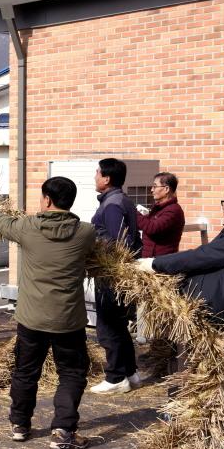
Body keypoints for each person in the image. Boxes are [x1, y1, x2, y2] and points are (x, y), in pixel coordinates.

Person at [136, 179, 224, 449]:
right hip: (196, 312)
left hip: (209, 316)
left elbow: (198, 258)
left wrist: (154, 264)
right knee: (182, 371)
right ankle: (180, 423)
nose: (221, 205)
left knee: (195, 378)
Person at [0, 177, 96, 449]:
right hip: (67, 319)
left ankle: (20, 424)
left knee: (25, 371)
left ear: (47, 200)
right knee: (71, 373)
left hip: (31, 318)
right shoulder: (86, 232)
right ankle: (62, 431)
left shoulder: (28, 228)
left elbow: (0, 222)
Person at [90, 158, 143, 394]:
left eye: (97, 173)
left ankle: (115, 378)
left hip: (112, 275)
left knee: (108, 326)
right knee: (120, 325)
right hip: (117, 274)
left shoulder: (112, 205)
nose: (95, 177)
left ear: (107, 178)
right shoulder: (120, 200)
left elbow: (119, 243)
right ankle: (130, 372)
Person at [136, 172, 185, 258]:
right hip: (150, 260)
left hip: (162, 263)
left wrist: (133, 212)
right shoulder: (158, 208)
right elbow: (144, 224)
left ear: (166, 189)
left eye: (155, 186)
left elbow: (152, 228)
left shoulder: (173, 210)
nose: (151, 190)